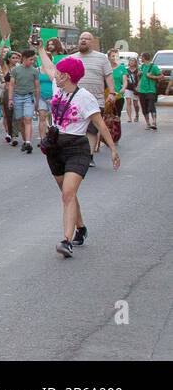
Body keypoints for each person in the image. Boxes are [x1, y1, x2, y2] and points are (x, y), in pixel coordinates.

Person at [33, 51, 119, 258]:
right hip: (55, 148)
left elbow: (99, 124)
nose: (55, 75)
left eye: (59, 73)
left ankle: (66, 241)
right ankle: (80, 227)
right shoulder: (58, 87)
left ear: (67, 77)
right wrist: (40, 48)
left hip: (76, 148)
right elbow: (48, 66)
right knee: (67, 193)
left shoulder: (85, 98)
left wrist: (113, 150)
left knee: (68, 193)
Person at [69, 32, 114, 159]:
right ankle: (76, 153)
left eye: (86, 39)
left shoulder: (102, 58)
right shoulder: (72, 58)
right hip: (75, 100)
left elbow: (108, 76)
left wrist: (111, 92)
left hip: (96, 100)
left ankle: (89, 156)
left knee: (92, 130)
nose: (83, 41)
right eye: (81, 38)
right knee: (76, 129)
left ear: (92, 42)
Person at [7, 50, 40, 154]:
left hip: (29, 97)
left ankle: (29, 143)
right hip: (17, 97)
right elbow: (11, 85)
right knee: (21, 120)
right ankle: (25, 141)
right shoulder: (16, 70)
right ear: (24, 58)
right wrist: (10, 99)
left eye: (34, 60)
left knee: (28, 119)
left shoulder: (34, 71)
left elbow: (37, 87)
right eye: (31, 59)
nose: (33, 62)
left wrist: (37, 102)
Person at [137, 51, 160, 130]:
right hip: (141, 90)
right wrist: (139, 74)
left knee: (151, 106)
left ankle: (154, 122)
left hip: (151, 90)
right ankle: (148, 123)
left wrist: (152, 76)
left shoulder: (153, 67)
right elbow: (139, 77)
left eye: (141, 57)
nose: (140, 58)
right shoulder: (142, 66)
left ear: (144, 57)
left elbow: (161, 76)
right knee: (144, 107)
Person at [123, 57, 140, 123]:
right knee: (128, 102)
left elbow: (140, 79)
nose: (132, 62)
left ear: (135, 63)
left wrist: (138, 86)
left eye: (133, 61)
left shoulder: (138, 70)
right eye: (130, 61)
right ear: (129, 62)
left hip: (135, 89)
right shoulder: (126, 70)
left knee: (135, 104)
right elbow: (124, 79)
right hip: (128, 88)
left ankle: (137, 115)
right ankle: (129, 118)